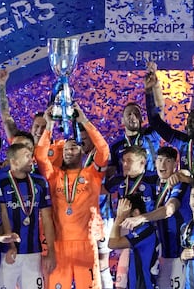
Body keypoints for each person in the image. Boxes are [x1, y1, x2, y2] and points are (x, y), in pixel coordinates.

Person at [34, 103, 109, 289]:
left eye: (74, 147)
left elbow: (104, 150)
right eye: (66, 149)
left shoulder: (93, 174)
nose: (69, 151)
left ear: (82, 151)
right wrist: (49, 125)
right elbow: (41, 156)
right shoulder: (53, 175)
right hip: (59, 244)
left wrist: (83, 120)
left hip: (86, 244)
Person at [120, 146, 192, 289]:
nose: (162, 165)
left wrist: (141, 218)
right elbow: (136, 174)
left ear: (175, 164)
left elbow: (168, 210)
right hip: (162, 254)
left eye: (168, 161)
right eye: (159, 160)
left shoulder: (178, 184)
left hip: (180, 253)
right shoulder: (155, 182)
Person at [0, 143, 56, 288]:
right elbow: (3, 214)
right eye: (27, 156)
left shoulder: (40, 182)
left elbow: (47, 219)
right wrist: (11, 246)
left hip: (33, 252)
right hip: (7, 252)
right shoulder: (0, 180)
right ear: (14, 161)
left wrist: (51, 252)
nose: (32, 160)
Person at [145, 63, 194, 184]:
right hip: (183, 197)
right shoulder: (183, 142)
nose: (188, 125)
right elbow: (155, 122)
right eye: (188, 121)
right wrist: (149, 91)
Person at [0, 68, 64, 167]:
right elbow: (6, 117)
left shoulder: (59, 146)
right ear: (31, 127)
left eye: (44, 127)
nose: (39, 131)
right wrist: (1, 85)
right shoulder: (20, 142)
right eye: (37, 126)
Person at [80, 123, 114, 289]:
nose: (82, 143)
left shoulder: (100, 158)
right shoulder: (81, 158)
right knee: (88, 262)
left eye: (85, 139)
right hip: (83, 219)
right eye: (81, 139)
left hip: (102, 216)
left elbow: (105, 188)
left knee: (101, 262)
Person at [108, 193, 160, 289]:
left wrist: (119, 217)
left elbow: (112, 243)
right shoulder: (139, 230)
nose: (122, 218)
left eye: (124, 213)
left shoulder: (145, 230)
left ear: (136, 213)